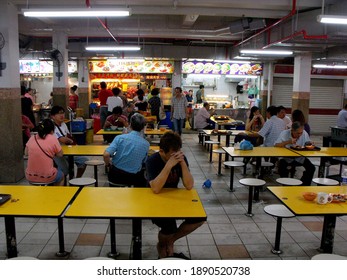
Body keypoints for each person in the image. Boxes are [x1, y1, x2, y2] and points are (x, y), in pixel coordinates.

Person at [145, 131, 206, 259]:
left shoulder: (181, 159)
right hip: (154, 200)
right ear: (161, 151)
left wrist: (182, 163)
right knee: (169, 226)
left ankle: (170, 240)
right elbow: (156, 188)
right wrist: (168, 165)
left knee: (199, 218)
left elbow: (189, 185)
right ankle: (162, 245)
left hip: (173, 199)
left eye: (177, 153)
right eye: (172, 155)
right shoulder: (152, 161)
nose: (176, 157)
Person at [103, 113, 149, 187]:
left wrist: (108, 164)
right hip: (134, 178)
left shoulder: (120, 138)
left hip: (116, 176)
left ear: (130, 125)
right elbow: (143, 161)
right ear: (143, 127)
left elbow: (106, 155)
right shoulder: (146, 144)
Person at [50, 106, 88, 178]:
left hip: (68, 151)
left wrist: (70, 141)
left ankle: (77, 180)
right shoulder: (51, 127)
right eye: (59, 114)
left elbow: (68, 136)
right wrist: (70, 140)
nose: (62, 115)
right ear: (53, 116)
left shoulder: (64, 124)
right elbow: (62, 139)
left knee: (84, 160)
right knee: (66, 170)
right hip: (57, 153)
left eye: (63, 113)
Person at [25, 119, 64, 186]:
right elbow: (60, 154)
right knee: (61, 175)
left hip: (30, 176)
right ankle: (57, 195)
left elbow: (26, 153)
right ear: (52, 130)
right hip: (47, 176)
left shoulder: (32, 138)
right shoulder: (52, 138)